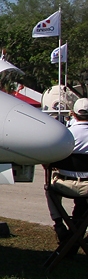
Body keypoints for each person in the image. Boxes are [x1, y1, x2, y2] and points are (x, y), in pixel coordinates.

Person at [46, 97, 88, 243]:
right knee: (82, 205)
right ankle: (77, 234)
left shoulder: (64, 135)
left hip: (64, 185)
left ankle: (58, 223)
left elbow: (49, 162)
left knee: (49, 188)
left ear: (73, 114)